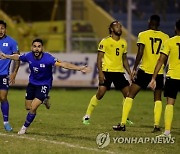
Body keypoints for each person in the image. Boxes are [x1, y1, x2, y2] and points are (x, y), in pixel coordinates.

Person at [0, 38, 91, 135]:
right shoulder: (28, 56)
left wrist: (79, 68)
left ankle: (24, 128)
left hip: (44, 85)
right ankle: (44, 99)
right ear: (32, 48)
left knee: (33, 108)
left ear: (42, 48)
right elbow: (18, 57)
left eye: (39, 47)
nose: (36, 49)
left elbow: (63, 64)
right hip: (32, 84)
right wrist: (6, 56)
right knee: (28, 107)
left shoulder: (48, 58)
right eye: (34, 46)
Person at [113, 15, 169, 132]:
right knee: (157, 99)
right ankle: (156, 125)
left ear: (149, 22)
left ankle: (123, 124)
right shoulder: (165, 37)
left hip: (144, 70)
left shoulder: (143, 34)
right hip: (158, 72)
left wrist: (134, 69)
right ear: (159, 24)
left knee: (130, 95)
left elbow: (140, 52)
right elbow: (165, 56)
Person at [82, 20, 133, 125]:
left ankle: (125, 117)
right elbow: (99, 59)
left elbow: (124, 59)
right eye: (117, 26)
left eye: (120, 26)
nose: (119, 28)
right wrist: (100, 73)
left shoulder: (123, 42)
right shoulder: (105, 41)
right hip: (107, 71)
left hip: (119, 72)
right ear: (111, 29)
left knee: (128, 95)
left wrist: (129, 72)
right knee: (100, 94)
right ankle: (87, 115)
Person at [149, 19, 180, 137]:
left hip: (173, 76)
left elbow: (161, 60)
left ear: (176, 28)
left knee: (170, 103)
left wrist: (153, 78)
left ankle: (167, 132)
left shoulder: (169, 42)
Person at [0, 20, 20, 132]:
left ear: (5, 29)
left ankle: (6, 122)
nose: (0, 30)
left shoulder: (12, 42)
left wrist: (14, 73)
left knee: (3, 97)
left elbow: (18, 58)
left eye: (2, 28)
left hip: (3, 75)